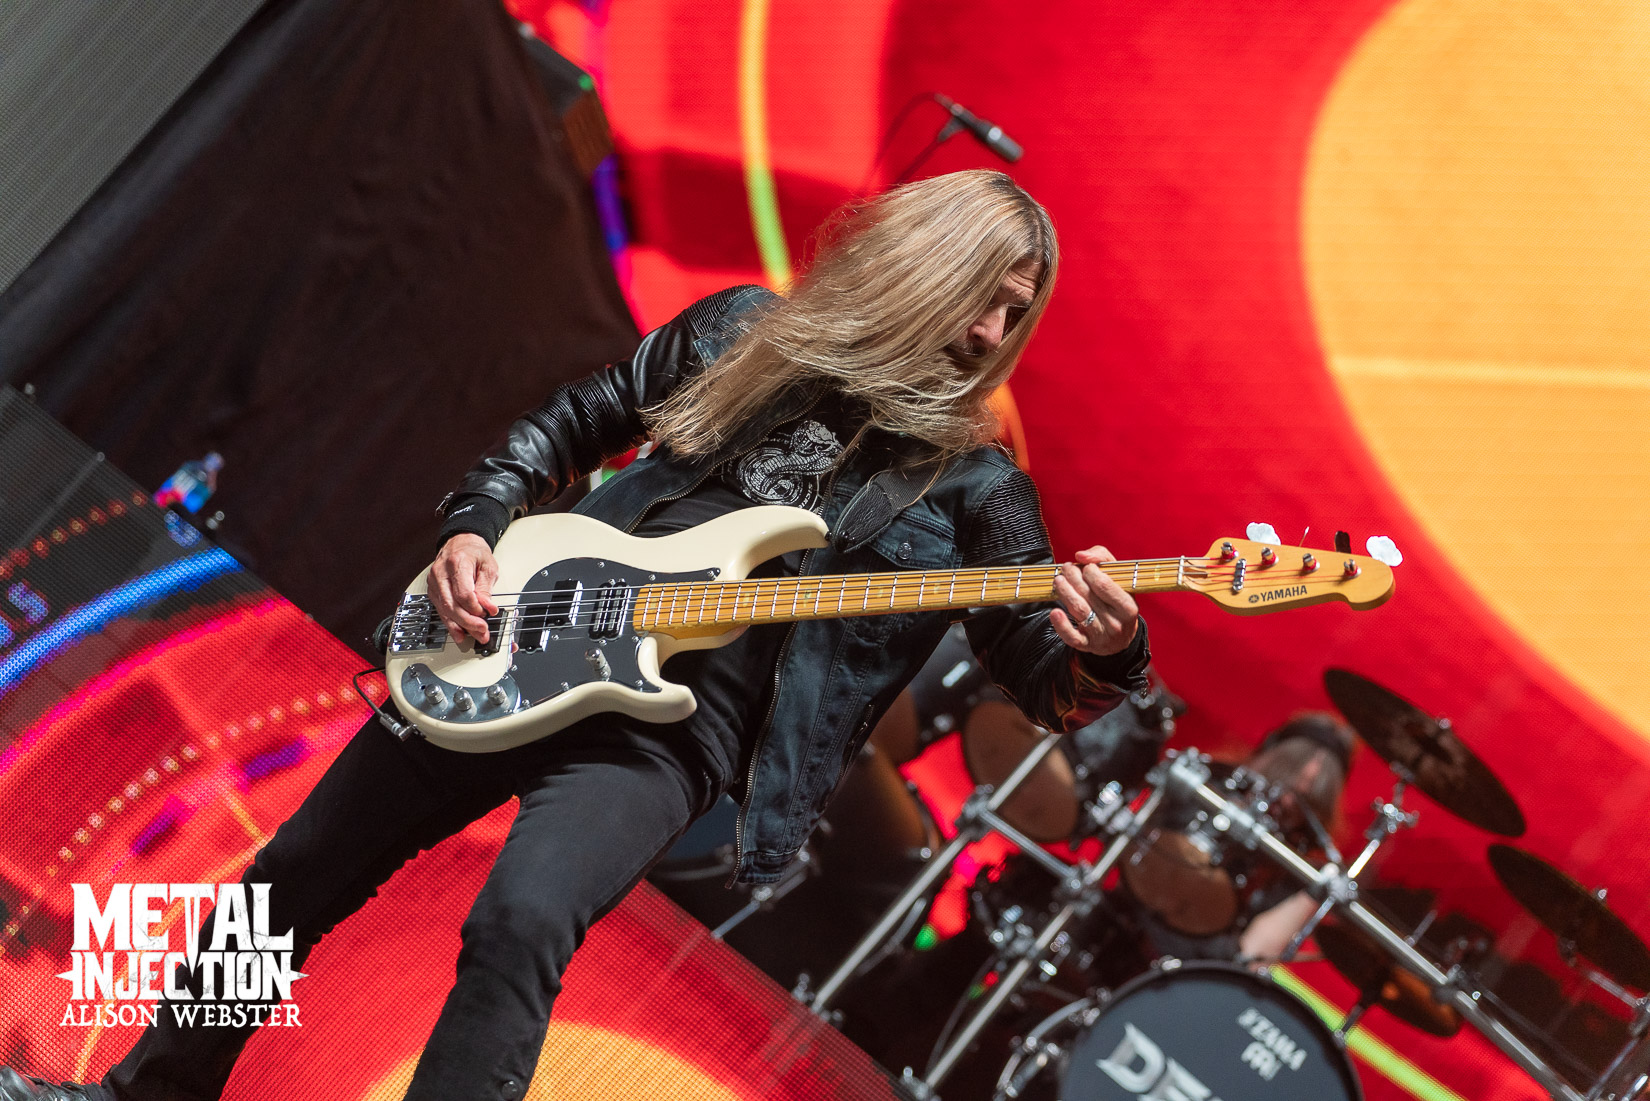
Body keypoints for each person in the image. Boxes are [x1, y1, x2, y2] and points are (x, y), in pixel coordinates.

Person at [1, 170, 1150, 1101]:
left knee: (523, 917)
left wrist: (1110, 655)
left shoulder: (975, 490)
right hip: (525, 628)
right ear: (920, 264)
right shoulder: (744, 331)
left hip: (666, 740)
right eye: (985, 292)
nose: (994, 329)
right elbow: (570, 422)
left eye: (1018, 310)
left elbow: (1044, 687)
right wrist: (475, 528)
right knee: (295, 874)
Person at [1116, 711, 1357, 966]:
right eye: (1284, 781)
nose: (1286, 802)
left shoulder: (1296, 871)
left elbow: (1252, 957)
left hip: (1189, 968)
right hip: (1121, 915)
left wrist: (1312, 893)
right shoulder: (1207, 785)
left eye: (1306, 801)